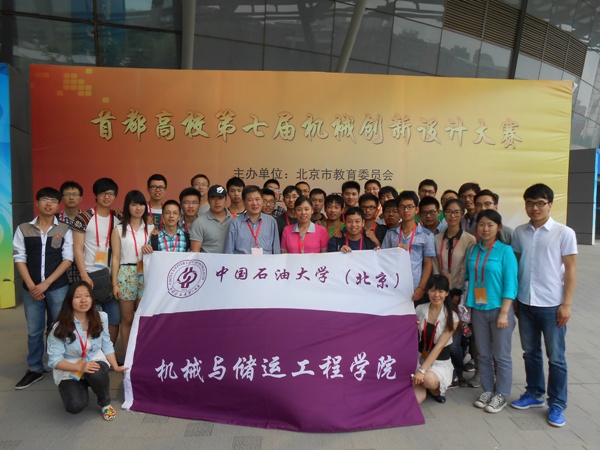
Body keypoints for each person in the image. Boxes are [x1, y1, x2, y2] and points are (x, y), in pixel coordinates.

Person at [510, 184, 577, 428]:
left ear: (550, 204)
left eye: (540, 203)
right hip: (525, 302)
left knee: (556, 357)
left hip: (552, 305)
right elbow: (517, 266)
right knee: (530, 352)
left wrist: (567, 304)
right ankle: (534, 393)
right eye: (530, 203)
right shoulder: (520, 232)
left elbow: (571, 270)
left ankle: (557, 404)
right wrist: (515, 299)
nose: (535, 208)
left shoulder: (564, 233)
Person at [13, 187, 74, 389]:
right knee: (34, 330)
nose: (49, 204)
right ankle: (34, 368)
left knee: (58, 327)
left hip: (57, 287)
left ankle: (57, 363)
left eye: (53, 201)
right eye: (45, 199)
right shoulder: (24, 229)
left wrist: (46, 283)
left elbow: (68, 259)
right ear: (37, 202)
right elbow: (19, 258)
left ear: (58, 205)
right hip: (31, 289)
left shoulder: (64, 229)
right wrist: (33, 286)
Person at [47, 281, 128, 420]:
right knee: (75, 406)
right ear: (69, 300)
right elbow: (54, 361)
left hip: (94, 359)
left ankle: (104, 402)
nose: (83, 300)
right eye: (78, 297)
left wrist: (115, 366)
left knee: (96, 372)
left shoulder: (101, 317)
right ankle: (82, 384)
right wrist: (80, 367)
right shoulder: (59, 327)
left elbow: (106, 344)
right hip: (71, 367)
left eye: (87, 296)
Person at [465, 210, 518, 414]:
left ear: (498, 228)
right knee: (484, 355)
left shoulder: (505, 251)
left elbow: (511, 284)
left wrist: (505, 312)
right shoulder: (473, 250)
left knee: (502, 356)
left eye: (490, 225)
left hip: (499, 310)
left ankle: (501, 394)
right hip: (478, 308)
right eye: (482, 224)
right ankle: (488, 390)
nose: (485, 229)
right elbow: (468, 278)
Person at [71, 178, 122, 345]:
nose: (107, 197)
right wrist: (84, 276)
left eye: (110, 194)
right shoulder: (83, 218)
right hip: (90, 275)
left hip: (111, 275)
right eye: (103, 193)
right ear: (95, 195)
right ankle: (92, 353)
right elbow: (77, 248)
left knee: (114, 319)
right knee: (91, 318)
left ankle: (108, 352)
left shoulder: (119, 218)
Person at [432, 198, 476, 387]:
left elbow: (467, 268)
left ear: (462, 214)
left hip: (459, 296)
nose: (452, 216)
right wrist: (439, 291)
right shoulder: (436, 239)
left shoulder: (469, 240)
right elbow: (435, 265)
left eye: (456, 212)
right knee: (440, 336)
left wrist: (458, 292)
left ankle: (458, 371)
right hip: (440, 295)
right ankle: (448, 372)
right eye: (449, 212)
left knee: (455, 341)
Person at [110, 190, 153, 352]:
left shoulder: (151, 228)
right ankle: (129, 355)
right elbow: (115, 258)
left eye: (141, 204)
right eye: (134, 204)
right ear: (127, 206)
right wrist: (114, 284)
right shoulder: (119, 229)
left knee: (142, 318)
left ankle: (141, 353)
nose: (138, 208)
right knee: (127, 318)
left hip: (146, 273)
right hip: (126, 274)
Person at [381, 191, 435, 303]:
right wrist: (394, 251)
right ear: (398, 210)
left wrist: (421, 287)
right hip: (393, 285)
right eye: (402, 207)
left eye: (410, 207)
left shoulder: (426, 235)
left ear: (417, 209)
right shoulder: (390, 234)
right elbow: (383, 259)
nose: (406, 210)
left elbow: (428, 264)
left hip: (415, 287)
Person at [412, 275, 458, 404]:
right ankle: (421, 384)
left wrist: (422, 371)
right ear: (427, 291)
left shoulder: (452, 317)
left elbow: (439, 347)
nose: (436, 295)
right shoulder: (420, 309)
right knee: (416, 400)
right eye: (432, 290)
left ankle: (434, 390)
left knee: (428, 380)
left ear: (447, 293)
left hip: (439, 362)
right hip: (420, 358)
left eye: (441, 291)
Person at [224, 185, 280, 254]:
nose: (254, 203)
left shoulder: (271, 222)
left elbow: (276, 251)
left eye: (257, 199)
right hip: (242, 261)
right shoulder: (235, 223)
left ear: (262, 201)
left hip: (266, 261)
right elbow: (229, 251)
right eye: (250, 200)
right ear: (244, 202)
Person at [190, 185, 233, 254]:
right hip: (206, 260)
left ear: (226, 199)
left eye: (220, 198)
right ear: (208, 200)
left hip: (230, 260)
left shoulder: (234, 220)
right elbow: (195, 252)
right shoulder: (199, 222)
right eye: (213, 198)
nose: (217, 202)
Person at [58, 181, 83, 284]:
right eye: (67, 195)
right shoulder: (54, 220)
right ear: (62, 197)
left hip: (83, 274)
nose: (71, 198)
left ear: (80, 198)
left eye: (75, 194)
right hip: (59, 276)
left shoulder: (88, 220)